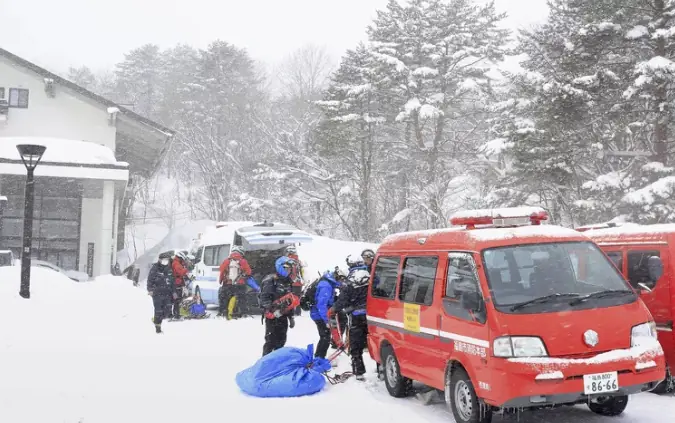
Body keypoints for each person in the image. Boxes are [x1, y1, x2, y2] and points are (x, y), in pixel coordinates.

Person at [331, 269, 370, 381]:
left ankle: (358, 372)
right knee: (376, 344)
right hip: (371, 319)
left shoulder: (350, 289)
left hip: (356, 321)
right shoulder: (371, 288)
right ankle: (381, 369)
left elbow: (340, 303)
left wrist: (334, 309)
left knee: (355, 347)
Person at [259, 256, 297, 356]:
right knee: (270, 342)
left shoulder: (288, 281)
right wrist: (270, 309)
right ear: (280, 267)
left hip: (283, 315)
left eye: (290, 269)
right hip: (272, 317)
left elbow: (290, 299)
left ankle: (277, 363)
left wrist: (291, 316)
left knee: (281, 341)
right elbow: (264, 298)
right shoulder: (270, 280)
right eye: (286, 268)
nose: (288, 271)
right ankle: (265, 364)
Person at [310, 270, 341, 359]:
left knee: (325, 336)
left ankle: (319, 357)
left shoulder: (327, 284)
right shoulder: (326, 286)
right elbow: (321, 304)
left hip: (318, 313)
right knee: (325, 337)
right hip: (318, 314)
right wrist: (326, 320)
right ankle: (319, 358)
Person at [218, 246, 253, 319]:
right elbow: (249, 272)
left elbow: (221, 272)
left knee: (225, 299)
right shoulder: (243, 261)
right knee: (242, 299)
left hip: (228, 284)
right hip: (240, 284)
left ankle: (224, 313)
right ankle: (243, 313)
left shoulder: (226, 261)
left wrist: (221, 281)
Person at [147, 252, 174, 334]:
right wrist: (150, 290)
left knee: (167, 310)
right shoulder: (155, 268)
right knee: (158, 310)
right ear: (160, 260)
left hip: (167, 293)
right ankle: (158, 328)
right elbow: (150, 280)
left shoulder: (169, 268)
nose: (166, 261)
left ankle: (156, 320)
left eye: (167, 260)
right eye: (164, 260)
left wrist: (174, 291)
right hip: (157, 293)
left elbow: (172, 281)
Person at [285, 245, 304, 316]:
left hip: (291, 283)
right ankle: (298, 312)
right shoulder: (298, 260)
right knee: (297, 297)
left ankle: (291, 312)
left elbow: (287, 272)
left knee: (290, 298)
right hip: (299, 283)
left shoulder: (288, 261)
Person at [171, 251, 190, 319]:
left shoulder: (177, 262)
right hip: (176, 284)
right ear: (180, 257)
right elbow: (181, 272)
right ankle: (176, 315)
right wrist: (186, 269)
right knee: (177, 299)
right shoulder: (176, 263)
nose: (183, 260)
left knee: (178, 299)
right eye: (182, 259)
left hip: (177, 283)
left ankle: (177, 313)